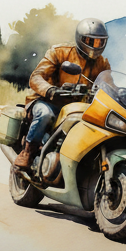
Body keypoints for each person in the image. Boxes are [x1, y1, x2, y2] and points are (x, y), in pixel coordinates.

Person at [12, 18, 111, 171]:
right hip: (46, 101)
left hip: (76, 108)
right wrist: (50, 90)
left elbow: (109, 85)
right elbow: (36, 77)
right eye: (90, 41)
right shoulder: (59, 52)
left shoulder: (102, 63)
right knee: (45, 114)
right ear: (80, 39)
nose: (94, 46)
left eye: (99, 42)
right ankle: (27, 152)